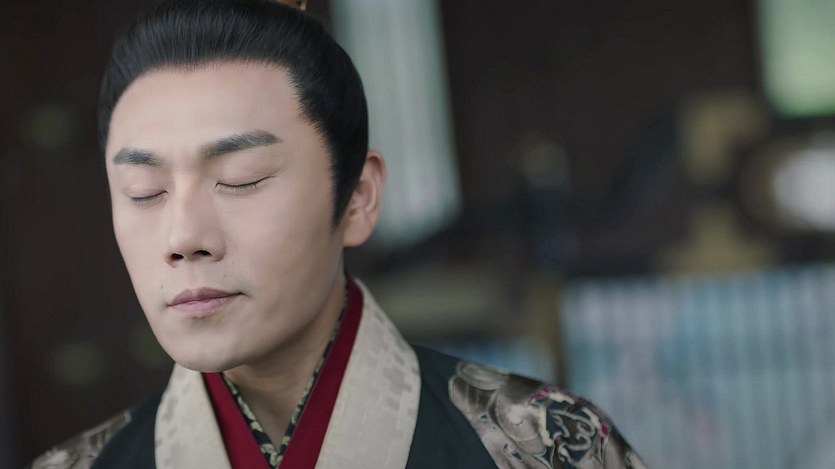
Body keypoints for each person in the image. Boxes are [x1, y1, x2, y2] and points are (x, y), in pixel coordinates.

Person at [31, 1, 646, 467]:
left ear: (358, 197)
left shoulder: (551, 447)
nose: (184, 236)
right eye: (144, 191)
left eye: (241, 179)